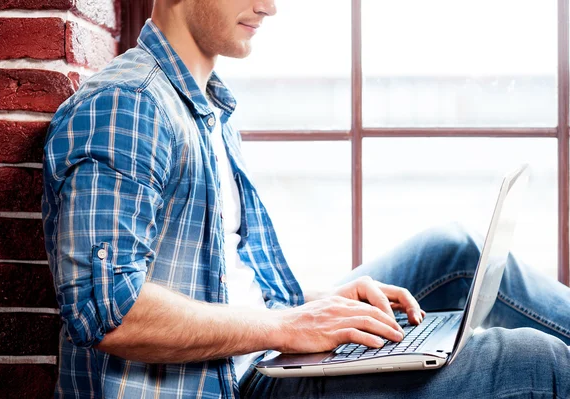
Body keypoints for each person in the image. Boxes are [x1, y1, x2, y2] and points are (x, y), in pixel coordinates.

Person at [41, 0, 570, 397]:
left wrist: (322, 305)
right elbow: (109, 311)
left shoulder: (206, 104)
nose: (271, 6)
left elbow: (223, 276)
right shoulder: (127, 106)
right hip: (228, 383)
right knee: (535, 360)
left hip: (258, 347)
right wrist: (292, 326)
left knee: (453, 252)